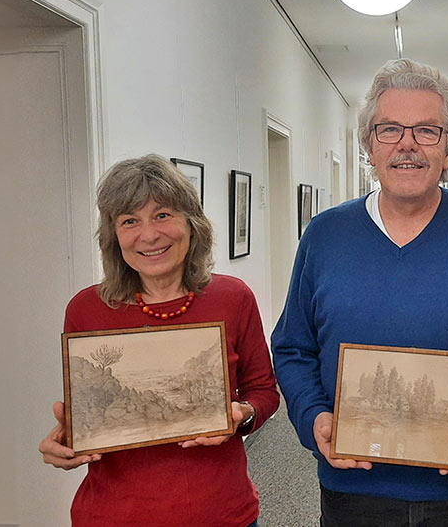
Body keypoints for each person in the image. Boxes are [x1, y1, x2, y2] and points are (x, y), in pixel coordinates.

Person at [270, 59, 448, 527]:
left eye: (426, 131)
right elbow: (293, 348)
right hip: (352, 489)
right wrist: (313, 416)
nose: (407, 145)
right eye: (389, 129)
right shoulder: (325, 236)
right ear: (368, 146)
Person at [38, 154, 279, 527]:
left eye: (163, 215)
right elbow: (89, 416)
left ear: (191, 224)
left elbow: (263, 391)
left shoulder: (233, 298)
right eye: (130, 221)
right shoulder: (86, 310)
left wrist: (241, 415)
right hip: (113, 516)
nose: (148, 235)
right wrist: (66, 442)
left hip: (222, 513)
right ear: (114, 236)